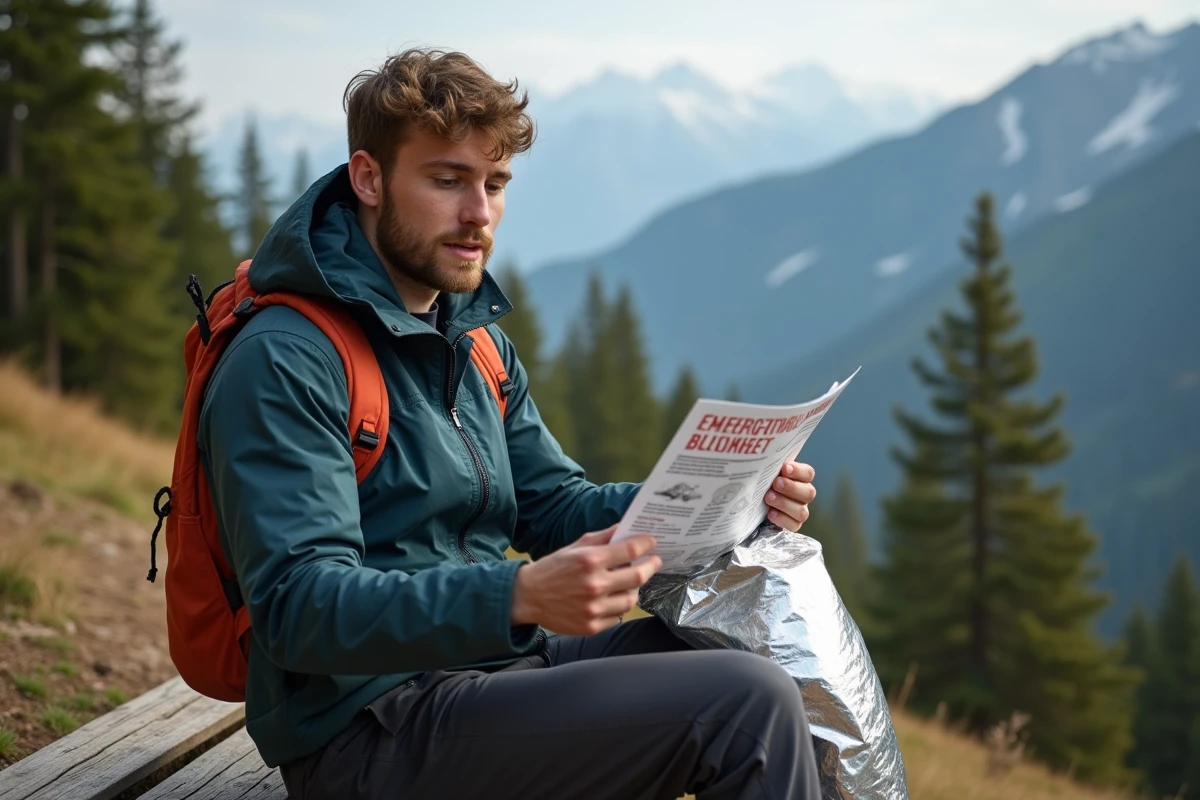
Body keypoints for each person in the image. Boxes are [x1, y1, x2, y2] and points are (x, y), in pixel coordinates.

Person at [197, 47, 823, 800]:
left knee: (755, 654)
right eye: (447, 180)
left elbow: (553, 506)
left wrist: (727, 497)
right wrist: (516, 597)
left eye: (494, 184)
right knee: (745, 706)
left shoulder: (474, 343)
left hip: (493, 673)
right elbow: (298, 607)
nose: (479, 214)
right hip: (366, 730)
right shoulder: (287, 357)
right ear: (368, 178)